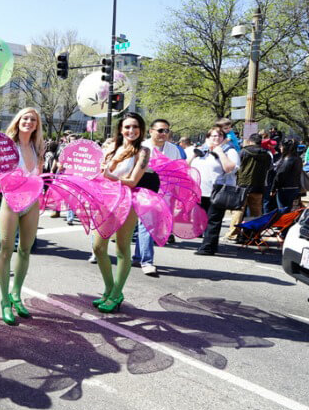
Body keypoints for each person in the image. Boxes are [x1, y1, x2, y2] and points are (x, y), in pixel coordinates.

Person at [0, 108, 44, 325]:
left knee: (26, 250)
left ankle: (16, 295)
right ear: (18, 121)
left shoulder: (39, 147)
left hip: (32, 203)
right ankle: (4, 300)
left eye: (33, 120)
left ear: (37, 125)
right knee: (6, 249)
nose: (28, 122)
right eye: (25, 118)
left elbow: (39, 175)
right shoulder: (7, 145)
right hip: (10, 202)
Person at [91, 113, 152, 313]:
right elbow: (98, 172)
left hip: (128, 199)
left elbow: (133, 181)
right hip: (105, 200)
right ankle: (110, 289)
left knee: (122, 248)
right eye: (127, 127)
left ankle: (117, 293)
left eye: (135, 127)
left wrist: (110, 176)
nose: (131, 131)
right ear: (120, 129)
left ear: (141, 130)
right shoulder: (111, 148)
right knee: (98, 247)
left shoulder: (142, 151)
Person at [132, 119, 182, 275]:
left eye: (167, 131)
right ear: (151, 131)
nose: (164, 134)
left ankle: (139, 256)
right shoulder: (142, 147)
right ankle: (146, 261)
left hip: (164, 189)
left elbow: (178, 169)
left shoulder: (173, 149)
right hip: (144, 187)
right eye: (160, 130)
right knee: (146, 224)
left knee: (148, 224)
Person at [189, 125, 240, 256]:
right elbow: (186, 166)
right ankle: (211, 243)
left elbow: (229, 168)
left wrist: (220, 152)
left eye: (219, 136)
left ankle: (208, 247)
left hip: (218, 191)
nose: (216, 138)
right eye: (213, 136)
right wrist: (194, 154)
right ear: (207, 138)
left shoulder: (229, 151)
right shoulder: (202, 151)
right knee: (202, 219)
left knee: (213, 220)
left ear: (223, 138)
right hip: (200, 191)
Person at [226, 134, 272, 241]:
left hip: (242, 184)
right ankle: (254, 235)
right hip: (259, 185)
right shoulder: (267, 154)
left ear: (250, 141)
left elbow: (236, 165)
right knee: (256, 212)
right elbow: (270, 168)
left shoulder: (244, 152)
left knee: (239, 210)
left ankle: (233, 234)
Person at [269, 140, 303, 212]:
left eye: (282, 146)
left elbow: (280, 175)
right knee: (289, 209)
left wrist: (273, 188)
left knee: (282, 210)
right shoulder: (298, 158)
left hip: (285, 188)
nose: (280, 148)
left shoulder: (288, 159)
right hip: (295, 187)